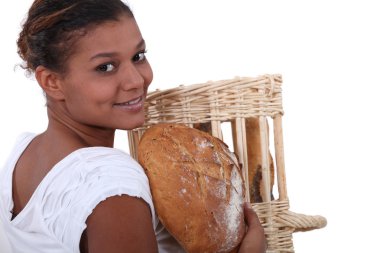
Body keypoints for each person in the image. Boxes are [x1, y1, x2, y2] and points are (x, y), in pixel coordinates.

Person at [0, 0, 266, 252]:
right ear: (51, 81)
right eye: (105, 67)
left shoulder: (23, 152)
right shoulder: (112, 181)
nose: (136, 80)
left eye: (138, 56)